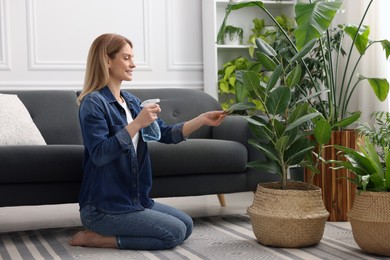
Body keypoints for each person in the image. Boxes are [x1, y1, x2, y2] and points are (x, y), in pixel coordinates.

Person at [69, 33, 227, 250]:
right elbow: (99, 154)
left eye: (132, 57)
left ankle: (115, 229)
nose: (133, 64)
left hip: (135, 201)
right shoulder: (93, 103)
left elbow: (166, 134)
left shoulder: (132, 101)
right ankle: (97, 239)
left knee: (187, 225)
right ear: (107, 60)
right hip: (103, 208)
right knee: (173, 233)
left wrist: (202, 120)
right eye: (126, 58)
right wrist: (136, 124)